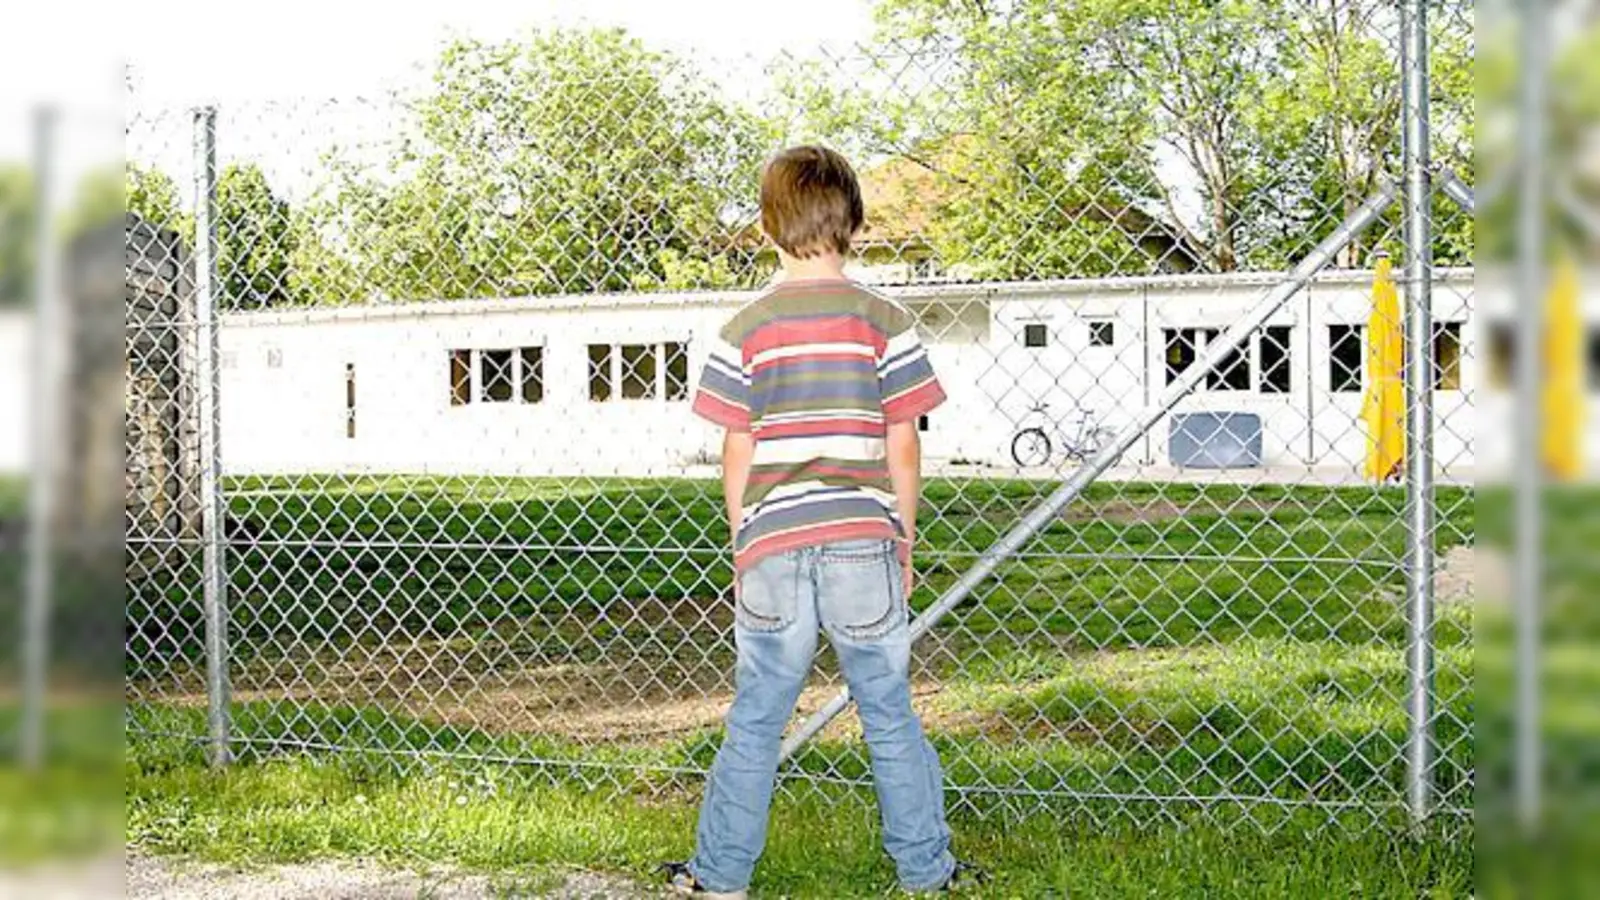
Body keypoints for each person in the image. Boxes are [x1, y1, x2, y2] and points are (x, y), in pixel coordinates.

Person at [662, 145, 983, 897]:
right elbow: (901, 441)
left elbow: (737, 447)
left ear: (768, 226)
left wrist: (745, 541)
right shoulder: (884, 319)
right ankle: (926, 872)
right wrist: (901, 538)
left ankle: (720, 876)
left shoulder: (745, 327)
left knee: (756, 715)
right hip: (863, 542)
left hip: (772, 546)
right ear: (857, 225)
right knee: (889, 710)